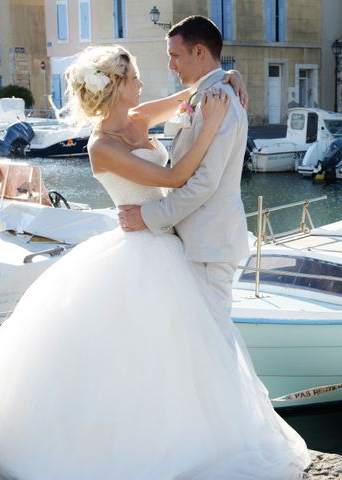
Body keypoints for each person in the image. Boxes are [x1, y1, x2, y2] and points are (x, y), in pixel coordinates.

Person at [0, 43, 310, 479]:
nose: (143, 83)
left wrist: (228, 78)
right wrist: (210, 125)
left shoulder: (140, 118)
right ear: (118, 86)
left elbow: (190, 94)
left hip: (169, 246)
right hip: (139, 252)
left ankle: (188, 440)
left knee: (180, 358)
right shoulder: (101, 145)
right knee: (131, 359)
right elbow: (175, 178)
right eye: (135, 78)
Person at [118, 16, 248, 345]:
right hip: (191, 243)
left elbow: (204, 183)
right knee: (191, 344)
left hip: (210, 245)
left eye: (175, 55)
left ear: (200, 51)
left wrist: (146, 217)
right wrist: (229, 75)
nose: (171, 64)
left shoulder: (221, 101)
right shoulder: (204, 94)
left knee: (213, 344)